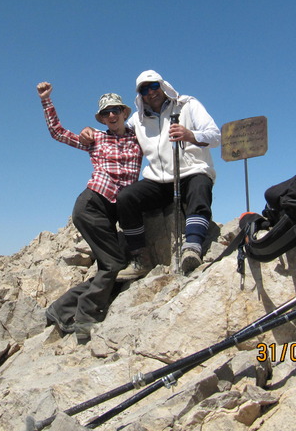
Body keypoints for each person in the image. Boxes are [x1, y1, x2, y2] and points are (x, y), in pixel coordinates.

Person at [82, 70, 220, 275]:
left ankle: (193, 247)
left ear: (163, 86)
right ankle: (140, 258)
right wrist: (90, 131)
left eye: (154, 86)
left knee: (200, 186)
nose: (151, 92)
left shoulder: (188, 105)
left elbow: (215, 136)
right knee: (127, 197)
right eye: (144, 89)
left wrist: (191, 135)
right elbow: (117, 130)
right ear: (140, 94)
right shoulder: (137, 120)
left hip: (191, 171)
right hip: (158, 179)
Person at [37, 81, 142, 342]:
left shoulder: (138, 137)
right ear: (101, 118)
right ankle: (84, 320)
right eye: (106, 113)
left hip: (115, 211)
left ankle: (60, 309)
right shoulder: (95, 137)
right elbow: (58, 133)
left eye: (116, 110)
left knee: (112, 265)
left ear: (125, 112)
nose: (111, 115)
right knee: (114, 263)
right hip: (92, 205)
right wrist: (46, 100)